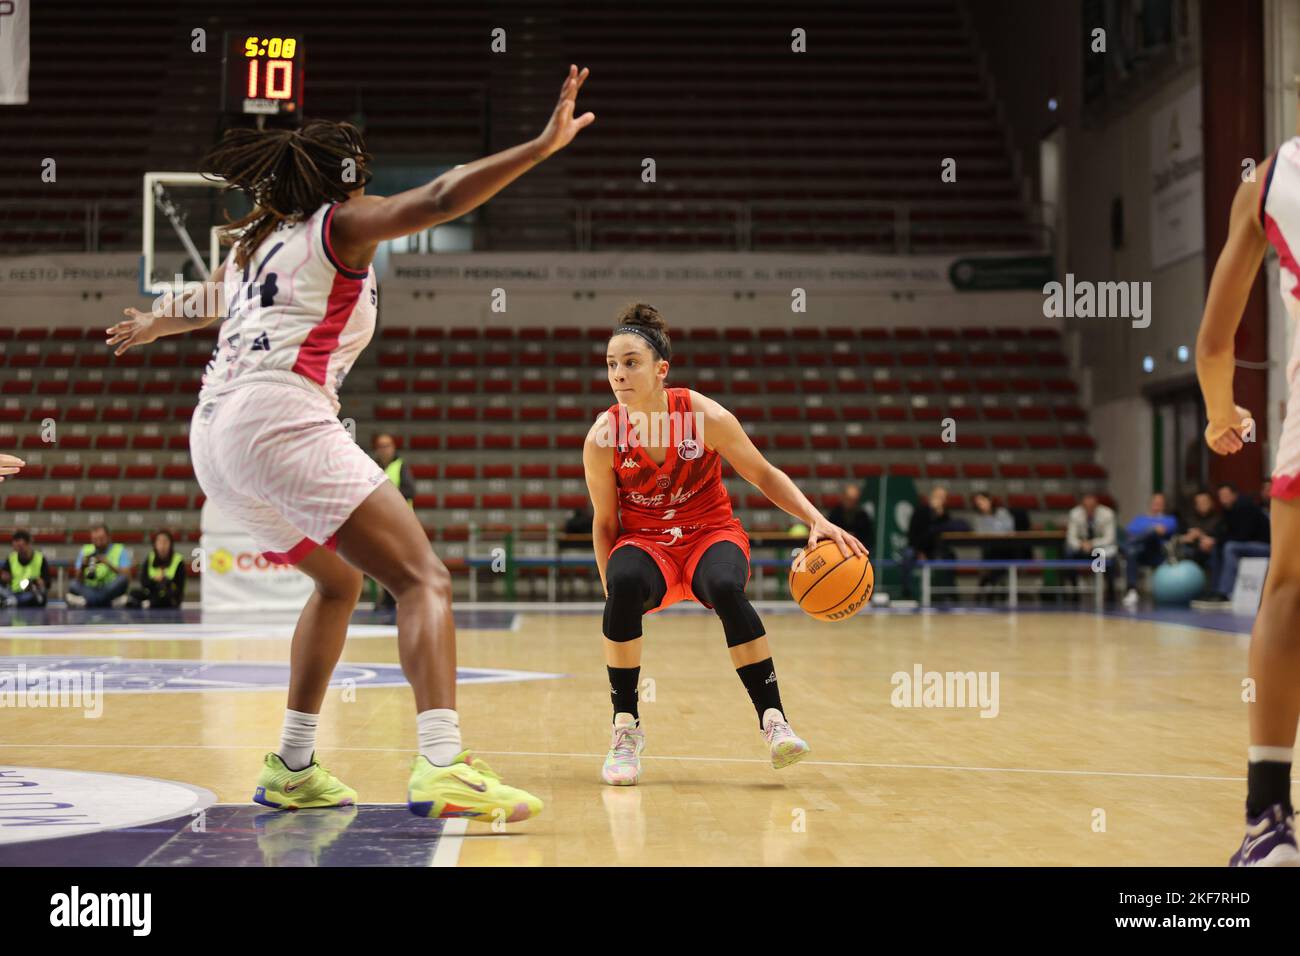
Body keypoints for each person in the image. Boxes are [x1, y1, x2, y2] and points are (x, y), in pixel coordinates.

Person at [106, 65, 596, 821]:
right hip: (280, 418)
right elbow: (438, 198)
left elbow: (215, 300)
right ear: (347, 183)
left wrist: (158, 322)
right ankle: (441, 764)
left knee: (340, 583)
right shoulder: (339, 227)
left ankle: (293, 766)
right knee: (423, 579)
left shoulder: (254, 245)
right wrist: (537, 147)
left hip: (215, 436)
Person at [582, 304, 867, 786]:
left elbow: (762, 474)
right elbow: (605, 521)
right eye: (611, 363)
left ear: (661, 370)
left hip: (709, 533)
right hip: (647, 543)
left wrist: (816, 519)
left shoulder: (705, 416)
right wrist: (612, 591)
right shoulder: (603, 438)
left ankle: (774, 721)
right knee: (625, 580)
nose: (618, 374)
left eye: (630, 362)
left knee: (725, 586)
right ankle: (625, 728)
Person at [1196, 138, 1300, 864]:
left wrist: (1220, 413)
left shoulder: (1273, 180)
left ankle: (1269, 821)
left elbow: (1212, 343)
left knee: (1288, 591)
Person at [1199, 482, 1271, 605]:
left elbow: (1243, 536)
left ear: (1234, 495)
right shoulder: (1228, 510)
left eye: (1226, 495)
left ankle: (1225, 592)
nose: (1223, 498)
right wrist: (1212, 540)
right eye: (1221, 495)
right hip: (1247, 544)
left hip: (1264, 546)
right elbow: (1222, 531)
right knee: (1217, 548)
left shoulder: (1246, 507)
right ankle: (1215, 590)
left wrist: (1217, 540)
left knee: (1230, 547)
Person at [371, 432, 415, 608]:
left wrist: (387, 497)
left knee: (400, 560)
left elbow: (410, 491)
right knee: (383, 560)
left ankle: (400, 597)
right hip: (380, 521)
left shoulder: (401, 466)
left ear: (393, 447)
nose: (384, 450)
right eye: (381, 446)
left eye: (387, 445)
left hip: (401, 522)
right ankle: (388, 598)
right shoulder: (373, 466)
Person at [899, 486, 966, 600]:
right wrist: (920, 552)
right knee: (907, 556)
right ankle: (907, 593)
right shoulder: (920, 510)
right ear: (931, 497)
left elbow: (945, 532)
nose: (939, 500)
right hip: (917, 547)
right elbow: (913, 534)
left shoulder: (944, 515)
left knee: (949, 556)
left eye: (942, 497)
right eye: (937, 496)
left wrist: (939, 515)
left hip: (935, 549)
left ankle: (949, 594)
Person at [1120, 492, 1178, 608]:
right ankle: (1132, 591)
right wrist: (1152, 529)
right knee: (1132, 551)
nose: (1157, 504)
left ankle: (1123, 547)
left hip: (1157, 553)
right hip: (1139, 553)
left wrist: (1149, 531)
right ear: (1150, 504)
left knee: (1148, 536)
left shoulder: (1169, 519)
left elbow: (1163, 531)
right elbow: (1129, 532)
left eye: (1160, 503)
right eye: (1155, 502)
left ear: (1164, 505)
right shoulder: (1139, 519)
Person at [67, 524, 133, 608]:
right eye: (95, 540)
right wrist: (83, 567)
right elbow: (78, 580)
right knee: (73, 584)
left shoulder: (119, 549)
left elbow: (128, 577)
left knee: (123, 580)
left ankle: (88, 602)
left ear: (109, 537)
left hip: (109, 588)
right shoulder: (85, 550)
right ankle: (109, 602)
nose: (98, 542)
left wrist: (108, 563)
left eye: (101, 539)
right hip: (90, 588)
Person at [125, 530, 187, 609]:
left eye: (165, 542)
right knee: (133, 593)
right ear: (155, 544)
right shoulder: (150, 557)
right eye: (159, 542)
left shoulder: (178, 560)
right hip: (152, 593)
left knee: (163, 599)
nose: (162, 545)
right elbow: (144, 582)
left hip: (169, 597)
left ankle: (145, 604)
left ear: (170, 544)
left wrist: (164, 580)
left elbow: (179, 587)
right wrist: (155, 580)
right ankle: (146, 603)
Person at [1, 530, 51, 609]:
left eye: (21, 546)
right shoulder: (11, 558)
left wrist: (37, 582)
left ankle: (11, 602)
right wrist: (4, 578)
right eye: (16, 547)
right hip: (13, 593)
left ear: (28, 544)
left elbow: (47, 583)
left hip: (31, 592)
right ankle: (12, 601)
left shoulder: (40, 558)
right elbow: (4, 579)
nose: (18, 550)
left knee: (38, 596)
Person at [1177, 489, 1219, 572]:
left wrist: (1201, 535)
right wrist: (1186, 538)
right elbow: (1178, 537)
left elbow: (1220, 538)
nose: (1202, 504)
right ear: (1195, 505)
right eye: (1199, 502)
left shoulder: (1218, 520)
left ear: (1211, 503)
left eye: (1205, 502)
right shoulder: (1188, 519)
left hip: (1209, 550)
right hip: (1190, 550)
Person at [827, 483, 875, 549]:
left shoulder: (863, 515)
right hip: (837, 548)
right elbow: (828, 534)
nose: (851, 502)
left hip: (858, 550)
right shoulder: (834, 514)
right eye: (848, 499)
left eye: (854, 500)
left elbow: (869, 539)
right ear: (843, 497)